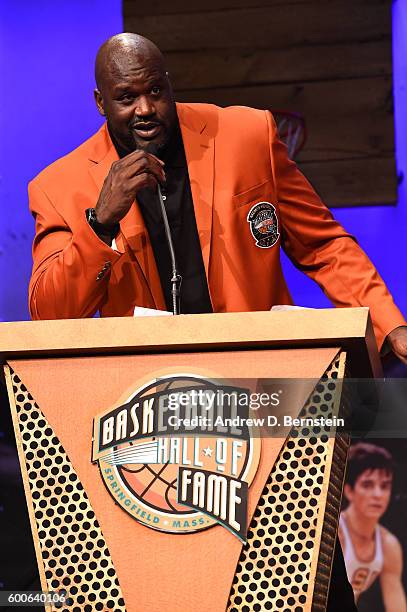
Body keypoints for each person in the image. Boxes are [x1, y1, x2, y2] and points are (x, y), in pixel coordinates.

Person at [27, 32, 407, 610]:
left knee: (305, 581)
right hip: (153, 423)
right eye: (127, 98)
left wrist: (390, 323)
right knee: (188, 587)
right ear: (100, 103)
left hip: (264, 405)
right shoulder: (60, 188)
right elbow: (48, 313)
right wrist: (99, 223)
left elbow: (323, 245)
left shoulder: (246, 135)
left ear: (170, 84)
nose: (147, 109)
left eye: (156, 90)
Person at [339, 443, 406, 611]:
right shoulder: (335, 532)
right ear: (349, 491)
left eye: (384, 486)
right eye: (368, 485)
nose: (378, 495)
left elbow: (396, 605)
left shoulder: (388, 545)